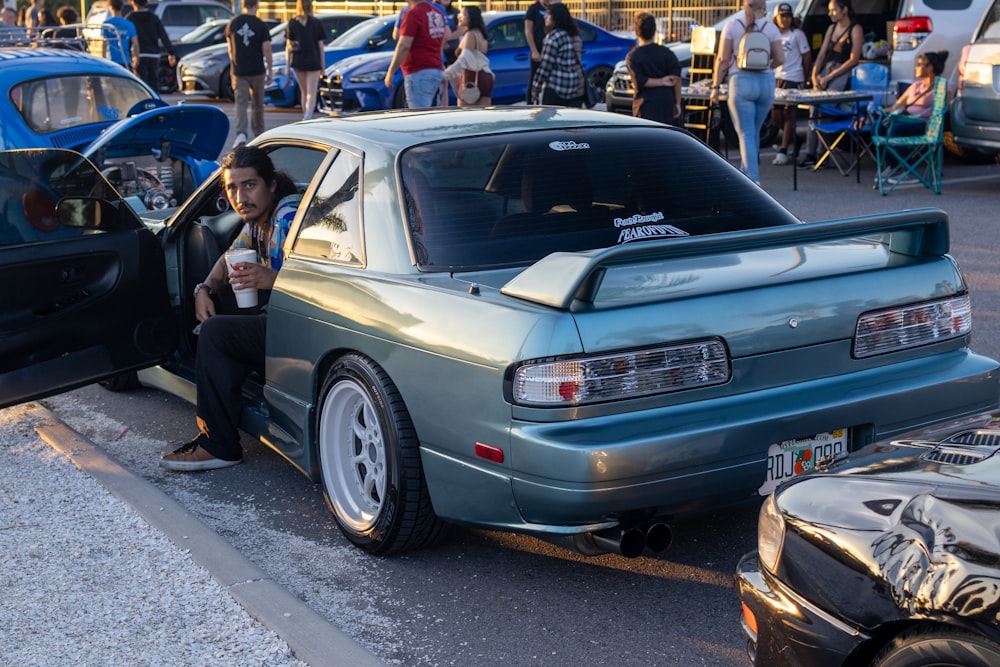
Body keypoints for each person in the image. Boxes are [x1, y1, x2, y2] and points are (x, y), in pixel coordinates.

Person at [160, 146, 300, 471]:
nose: (240, 196)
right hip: (281, 324)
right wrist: (204, 289)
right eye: (232, 188)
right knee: (219, 318)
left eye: (249, 185)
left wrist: (274, 279)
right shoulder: (256, 222)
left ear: (271, 185)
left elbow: (322, 287)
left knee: (215, 332)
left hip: (300, 332)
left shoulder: (287, 219)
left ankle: (218, 444)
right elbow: (229, 258)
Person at [710, 0, 784, 184]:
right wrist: (766, 66)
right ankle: (746, 174)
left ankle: (752, 181)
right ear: (763, 7)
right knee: (753, 133)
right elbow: (780, 58)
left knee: (746, 134)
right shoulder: (771, 27)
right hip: (766, 83)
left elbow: (723, 59)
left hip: (741, 81)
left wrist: (715, 86)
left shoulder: (733, 26)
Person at [797, 0, 863, 167]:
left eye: (834, 10)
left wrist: (830, 76)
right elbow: (822, 53)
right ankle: (810, 153)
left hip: (841, 73)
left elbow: (854, 59)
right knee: (814, 108)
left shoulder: (855, 29)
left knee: (825, 109)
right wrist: (814, 75)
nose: (830, 13)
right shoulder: (831, 28)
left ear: (845, 10)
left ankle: (823, 153)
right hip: (826, 71)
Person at [385, 0, 448, 109]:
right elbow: (441, 42)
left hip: (418, 71)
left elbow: (404, 45)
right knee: (432, 114)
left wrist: (391, 72)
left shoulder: (413, 14)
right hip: (436, 69)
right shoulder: (437, 13)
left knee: (419, 116)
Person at [227, 0, 273, 148]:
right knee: (258, 104)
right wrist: (270, 70)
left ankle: (241, 134)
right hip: (257, 69)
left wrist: (233, 65)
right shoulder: (261, 25)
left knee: (240, 103)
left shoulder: (234, 23)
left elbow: (229, 48)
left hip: (239, 70)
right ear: (257, 5)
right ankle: (259, 134)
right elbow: (267, 49)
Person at [770, 3, 811, 164]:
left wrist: (805, 77)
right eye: (782, 16)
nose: (785, 20)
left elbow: (806, 56)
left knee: (789, 113)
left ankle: (784, 149)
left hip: (794, 77)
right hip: (777, 76)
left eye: (788, 16)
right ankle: (794, 139)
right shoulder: (773, 35)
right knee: (776, 114)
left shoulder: (797, 34)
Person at [626, 11, 682, 124]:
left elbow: (640, 81)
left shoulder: (633, 57)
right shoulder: (667, 53)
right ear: (654, 31)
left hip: (644, 105)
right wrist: (677, 103)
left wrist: (661, 81)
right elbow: (676, 79)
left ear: (636, 32)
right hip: (666, 104)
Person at [530, 2, 584, 107]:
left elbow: (545, 66)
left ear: (555, 18)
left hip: (555, 88)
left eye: (548, 15)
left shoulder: (553, 37)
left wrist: (536, 87)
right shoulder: (575, 36)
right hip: (575, 88)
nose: (545, 17)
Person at [441, 5, 493, 107]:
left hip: (471, 79)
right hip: (486, 78)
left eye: (463, 14)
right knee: (482, 118)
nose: (459, 16)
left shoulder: (470, 35)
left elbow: (464, 60)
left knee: (465, 117)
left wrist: (445, 75)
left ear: (471, 17)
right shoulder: (482, 35)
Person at [286, 0, 324, 120]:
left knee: (304, 91)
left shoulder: (292, 23)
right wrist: (322, 64)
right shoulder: (316, 23)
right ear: (311, 6)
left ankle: (305, 115)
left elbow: (288, 46)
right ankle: (308, 116)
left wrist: (287, 66)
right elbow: (320, 46)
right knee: (311, 92)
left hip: (298, 60)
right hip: (313, 60)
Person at [128, 0, 175, 92]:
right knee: (154, 80)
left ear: (132, 2)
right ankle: (155, 101)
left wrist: (129, 54)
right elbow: (163, 36)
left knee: (142, 82)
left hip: (139, 54)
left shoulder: (130, 18)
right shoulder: (154, 18)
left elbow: (128, 39)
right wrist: (171, 52)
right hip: (154, 54)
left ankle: (145, 102)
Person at [524, 0, 559, 104]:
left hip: (552, 49)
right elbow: (528, 30)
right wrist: (534, 50)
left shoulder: (554, 8)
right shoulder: (533, 9)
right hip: (538, 49)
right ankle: (531, 103)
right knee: (535, 78)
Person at [103, 0, 138, 69]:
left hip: (111, 60)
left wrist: (103, 58)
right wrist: (136, 58)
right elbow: (135, 44)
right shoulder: (129, 24)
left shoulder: (107, 24)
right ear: (122, 7)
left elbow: (104, 43)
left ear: (110, 7)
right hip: (126, 60)